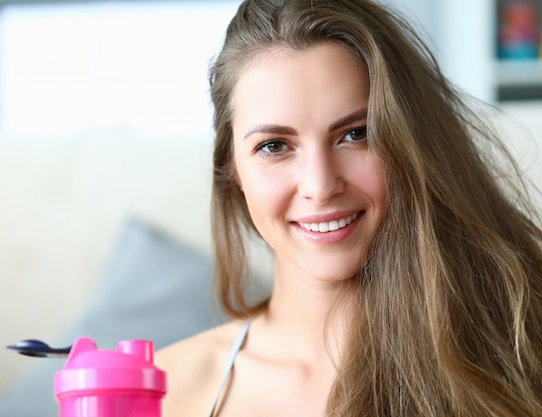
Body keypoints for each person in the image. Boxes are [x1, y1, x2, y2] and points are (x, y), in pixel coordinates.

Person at [155, 0, 542, 416]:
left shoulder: (520, 346)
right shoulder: (164, 388)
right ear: (233, 168)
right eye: (274, 146)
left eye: (356, 134)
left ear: (414, 143)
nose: (320, 187)